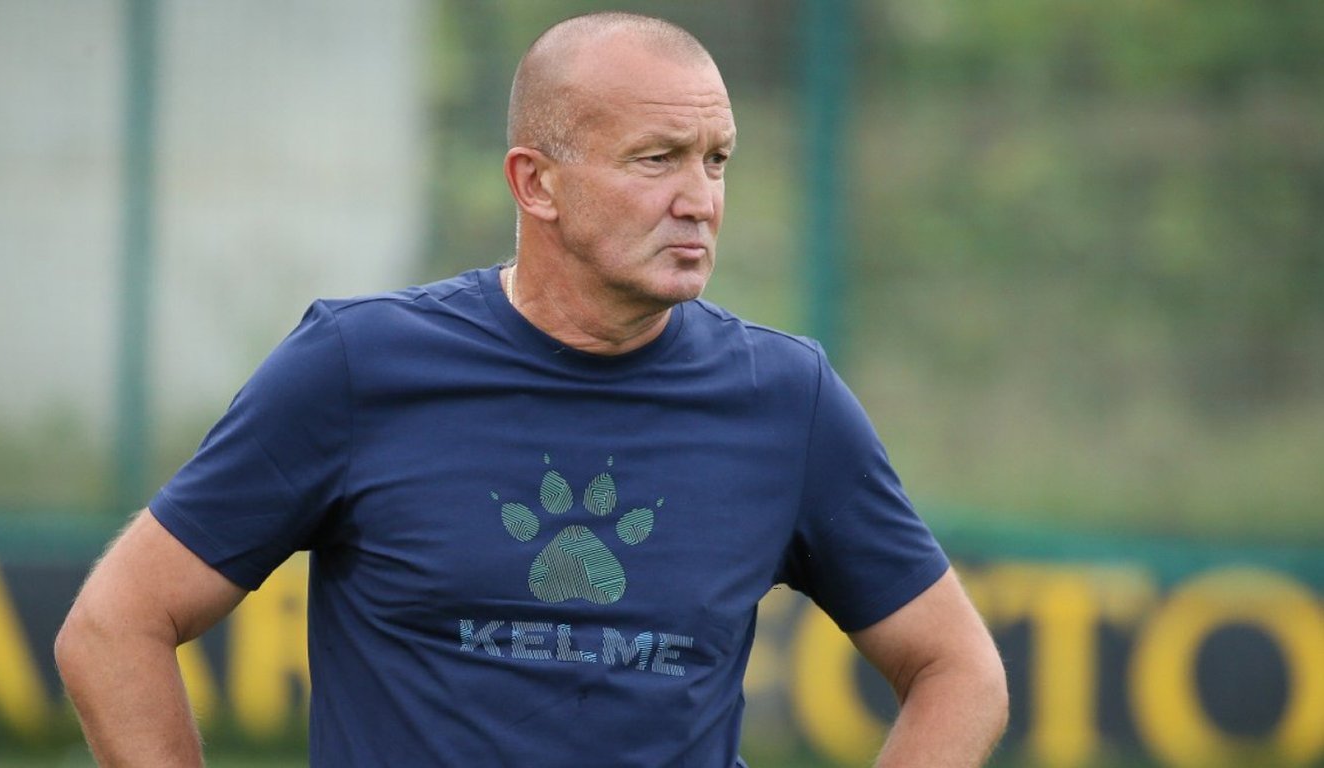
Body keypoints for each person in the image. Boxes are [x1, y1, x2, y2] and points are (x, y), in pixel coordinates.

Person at [56, 11, 1007, 767]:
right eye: (657, 158)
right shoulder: (356, 366)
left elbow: (959, 671)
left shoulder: (786, 400)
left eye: (716, 159)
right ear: (537, 184)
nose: (700, 200)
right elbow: (114, 626)